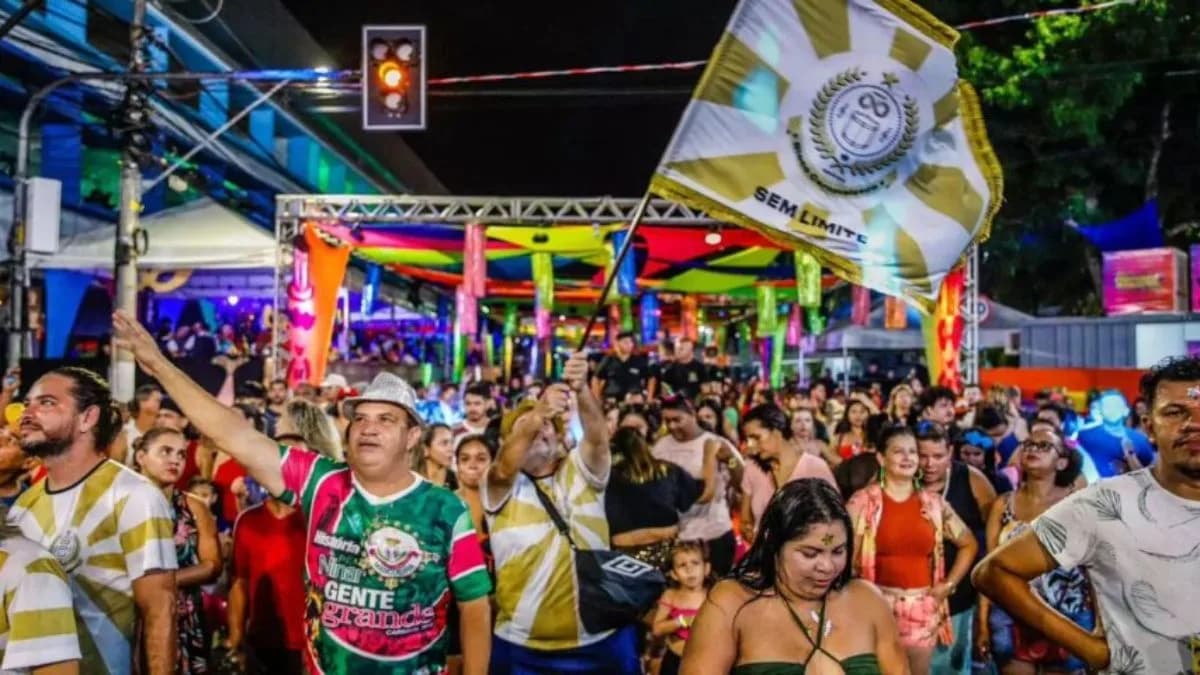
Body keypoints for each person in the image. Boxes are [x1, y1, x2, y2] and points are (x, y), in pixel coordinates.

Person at [112, 311, 492, 674]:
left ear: (412, 438)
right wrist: (160, 364)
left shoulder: (445, 509)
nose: (368, 428)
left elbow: (474, 607)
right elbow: (235, 434)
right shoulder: (322, 481)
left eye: (385, 420)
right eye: (360, 418)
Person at [974, 356, 1200, 674]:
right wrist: (1089, 648)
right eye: (1176, 413)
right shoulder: (1105, 503)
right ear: (1148, 427)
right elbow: (994, 572)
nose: (1194, 424)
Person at [11, 366, 178, 675]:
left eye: (46, 403)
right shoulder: (23, 508)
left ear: (87, 418)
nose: (27, 412)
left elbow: (159, 609)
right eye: (27, 403)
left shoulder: (133, 495)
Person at [484, 352, 639, 672]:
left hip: (601, 640)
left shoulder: (581, 470)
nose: (538, 431)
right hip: (523, 648)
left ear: (559, 437)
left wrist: (581, 389)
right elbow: (504, 466)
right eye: (523, 429)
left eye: (546, 427)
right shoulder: (499, 486)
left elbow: (597, 437)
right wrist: (539, 411)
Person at [681, 479, 905, 674]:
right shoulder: (731, 602)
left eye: (838, 551)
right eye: (810, 553)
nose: (827, 567)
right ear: (774, 544)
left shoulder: (868, 601)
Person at [847, 425, 978, 675]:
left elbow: (969, 544)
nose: (908, 458)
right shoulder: (863, 501)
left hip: (922, 608)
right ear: (881, 458)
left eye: (912, 452)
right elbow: (839, 549)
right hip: (876, 606)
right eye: (898, 452)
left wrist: (948, 586)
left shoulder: (934, 504)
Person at [977, 428, 1091, 675]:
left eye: (1043, 446)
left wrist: (1102, 623)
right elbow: (988, 571)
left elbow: (1095, 567)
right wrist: (983, 624)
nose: (1032, 450)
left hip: (1067, 615)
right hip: (1012, 615)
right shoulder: (1003, 505)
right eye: (1028, 444)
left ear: (1061, 462)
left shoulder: (1078, 504)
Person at [134, 427, 222, 674]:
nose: (175, 460)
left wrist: (162, 584)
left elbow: (212, 565)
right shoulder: (118, 502)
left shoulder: (194, 506)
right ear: (141, 456)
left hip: (184, 617)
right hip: (131, 616)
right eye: (166, 452)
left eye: (181, 455)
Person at [916, 423, 997, 675]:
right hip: (910, 598)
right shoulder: (901, 480)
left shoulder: (971, 479)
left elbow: (991, 540)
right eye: (923, 456)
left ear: (950, 452)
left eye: (938, 456)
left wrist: (983, 609)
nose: (929, 464)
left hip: (958, 598)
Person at [653, 395, 742, 576]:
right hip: (680, 538)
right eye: (667, 421)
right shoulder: (660, 448)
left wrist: (731, 460)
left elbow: (741, 482)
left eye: (677, 420)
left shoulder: (715, 442)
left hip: (715, 533)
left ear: (692, 414)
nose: (672, 426)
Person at [739, 404, 838, 544]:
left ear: (777, 432)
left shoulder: (814, 467)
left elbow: (835, 524)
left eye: (756, 438)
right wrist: (750, 534)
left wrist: (820, 551)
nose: (751, 445)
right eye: (749, 440)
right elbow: (745, 520)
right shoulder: (752, 468)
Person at [606, 426, 701, 567]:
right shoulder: (668, 471)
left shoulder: (606, 478)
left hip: (627, 557)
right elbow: (700, 495)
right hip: (663, 552)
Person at [651, 541, 714, 675]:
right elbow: (657, 629)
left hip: (707, 660)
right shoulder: (671, 596)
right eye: (682, 565)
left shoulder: (714, 595)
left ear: (707, 568)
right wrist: (683, 621)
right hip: (676, 659)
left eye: (695, 563)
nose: (689, 570)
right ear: (673, 574)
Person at [1075, 390, 1156, 478]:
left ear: (1126, 411)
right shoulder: (1085, 437)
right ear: (1099, 411)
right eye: (1107, 406)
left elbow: (1149, 475)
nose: (1112, 409)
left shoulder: (1140, 439)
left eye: (1116, 405)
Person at [592, 331, 650, 403]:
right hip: (612, 400)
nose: (629, 345)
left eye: (631, 342)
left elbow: (649, 378)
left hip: (634, 401)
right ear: (618, 343)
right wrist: (597, 399)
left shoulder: (638, 360)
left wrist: (646, 396)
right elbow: (595, 378)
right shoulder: (609, 360)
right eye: (625, 342)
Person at [657, 338, 708, 402]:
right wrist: (670, 397)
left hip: (695, 403)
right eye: (677, 348)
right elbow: (664, 392)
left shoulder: (700, 367)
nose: (677, 351)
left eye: (681, 349)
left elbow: (705, 391)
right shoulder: (670, 369)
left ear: (690, 350)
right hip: (676, 404)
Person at [414, 423, 458, 489]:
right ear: (425, 449)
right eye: (444, 443)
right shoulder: (411, 480)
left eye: (452, 442)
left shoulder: (457, 481)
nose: (451, 449)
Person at [833, 396, 873, 460]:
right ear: (847, 414)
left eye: (862, 411)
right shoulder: (839, 438)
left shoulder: (872, 436)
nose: (858, 415)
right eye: (853, 411)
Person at [454, 384, 492, 448]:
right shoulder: (454, 430)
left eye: (477, 403)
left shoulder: (497, 429)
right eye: (468, 403)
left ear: (487, 405)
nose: (472, 408)